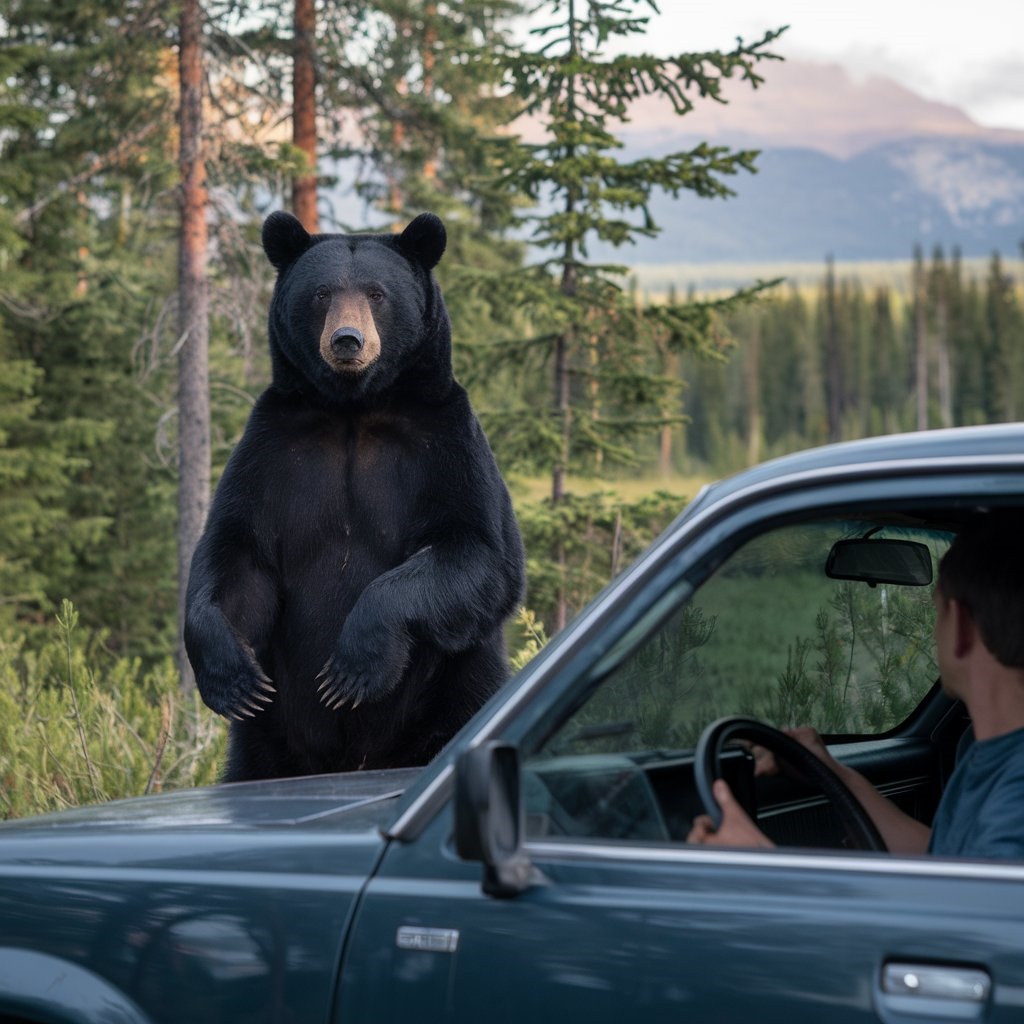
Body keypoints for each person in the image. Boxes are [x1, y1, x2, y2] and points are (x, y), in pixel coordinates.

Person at [688, 511, 1024, 858]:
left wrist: (760, 864)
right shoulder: (992, 754)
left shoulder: (1016, 797)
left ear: (962, 628)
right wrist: (832, 772)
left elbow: (972, 911)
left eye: (937, 613)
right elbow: (942, 862)